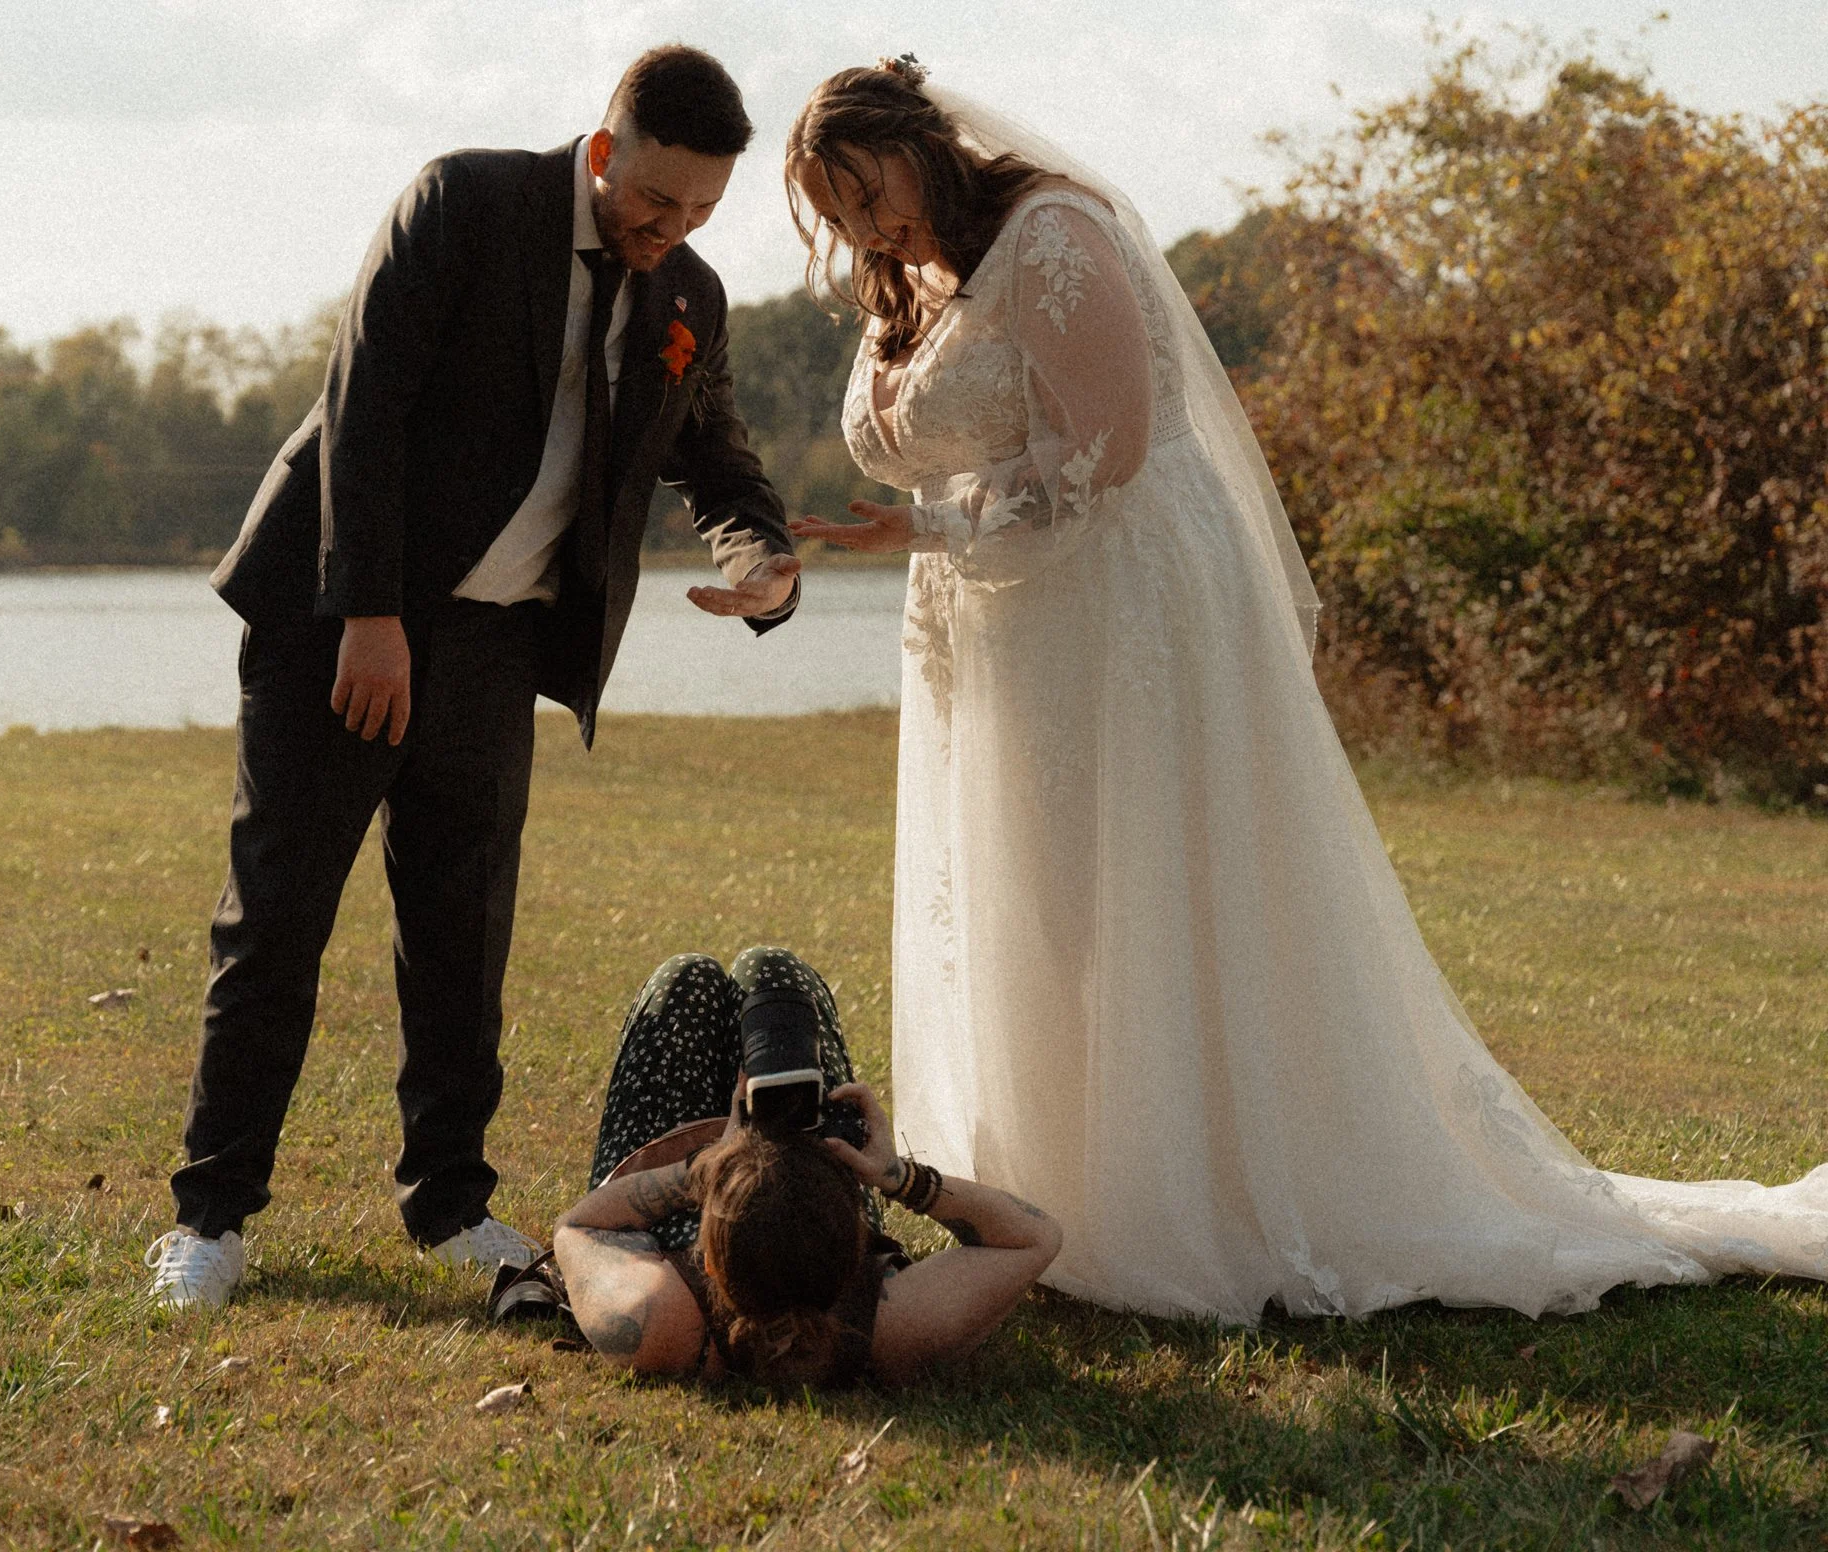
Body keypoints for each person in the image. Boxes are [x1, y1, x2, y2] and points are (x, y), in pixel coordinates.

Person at [783, 58, 1828, 1321]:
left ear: (920, 143)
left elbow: (1106, 452)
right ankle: (1055, 1179)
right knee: (1042, 889)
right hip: (998, 622)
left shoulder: (1050, 234)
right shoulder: (918, 279)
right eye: (836, 217)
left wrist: (926, 530)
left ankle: (1184, 1195)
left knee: (1147, 877)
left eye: (866, 193)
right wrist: (897, 532)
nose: (862, 230)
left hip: (1121, 606)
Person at [144, 46, 803, 1309]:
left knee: (462, 937)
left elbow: (715, 461)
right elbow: (365, 404)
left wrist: (761, 558)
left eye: (704, 211)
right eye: (656, 202)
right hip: (339, 622)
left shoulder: (689, 298)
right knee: (276, 917)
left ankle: (448, 1204)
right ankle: (211, 1216)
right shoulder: (464, 200)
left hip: (500, 646)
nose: (672, 231)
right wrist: (371, 614)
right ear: (604, 151)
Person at [550, 949, 1061, 1385]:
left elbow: (579, 1225)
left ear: (708, 1263)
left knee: (684, 980)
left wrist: (703, 1170)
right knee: (773, 974)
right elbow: (1034, 1237)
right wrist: (897, 1177)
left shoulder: (663, 1323)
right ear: (857, 1252)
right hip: (770, 1210)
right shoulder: (892, 1327)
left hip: (669, 1206)